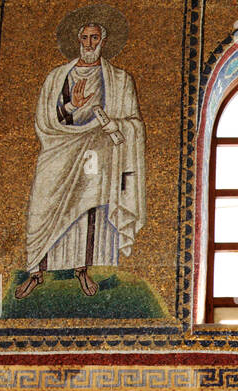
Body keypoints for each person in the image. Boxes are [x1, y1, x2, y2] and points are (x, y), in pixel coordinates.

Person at [15, 13, 146, 301]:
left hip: (98, 150)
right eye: (85, 37)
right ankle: (36, 270)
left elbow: (134, 122)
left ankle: (82, 268)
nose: (89, 43)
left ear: (104, 41)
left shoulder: (121, 79)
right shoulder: (57, 77)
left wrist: (117, 125)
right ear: (77, 40)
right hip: (59, 149)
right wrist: (72, 106)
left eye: (94, 38)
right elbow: (46, 119)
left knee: (90, 210)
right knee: (43, 202)